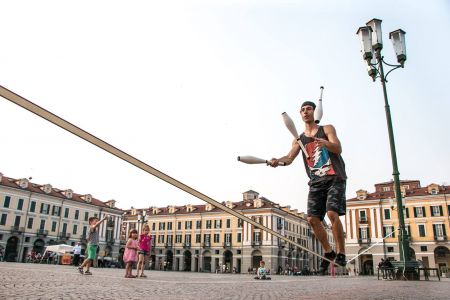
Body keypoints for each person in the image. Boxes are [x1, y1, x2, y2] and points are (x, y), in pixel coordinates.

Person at [269, 101, 347, 275]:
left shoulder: (326, 129)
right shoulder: (299, 139)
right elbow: (289, 158)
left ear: (314, 112)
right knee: (312, 219)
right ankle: (328, 251)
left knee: (332, 213)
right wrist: (277, 161)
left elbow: (338, 148)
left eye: (308, 109)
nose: (305, 112)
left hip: (335, 177)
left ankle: (341, 252)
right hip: (316, 182)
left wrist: (325, 143)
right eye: (302, 110)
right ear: (300, 115)